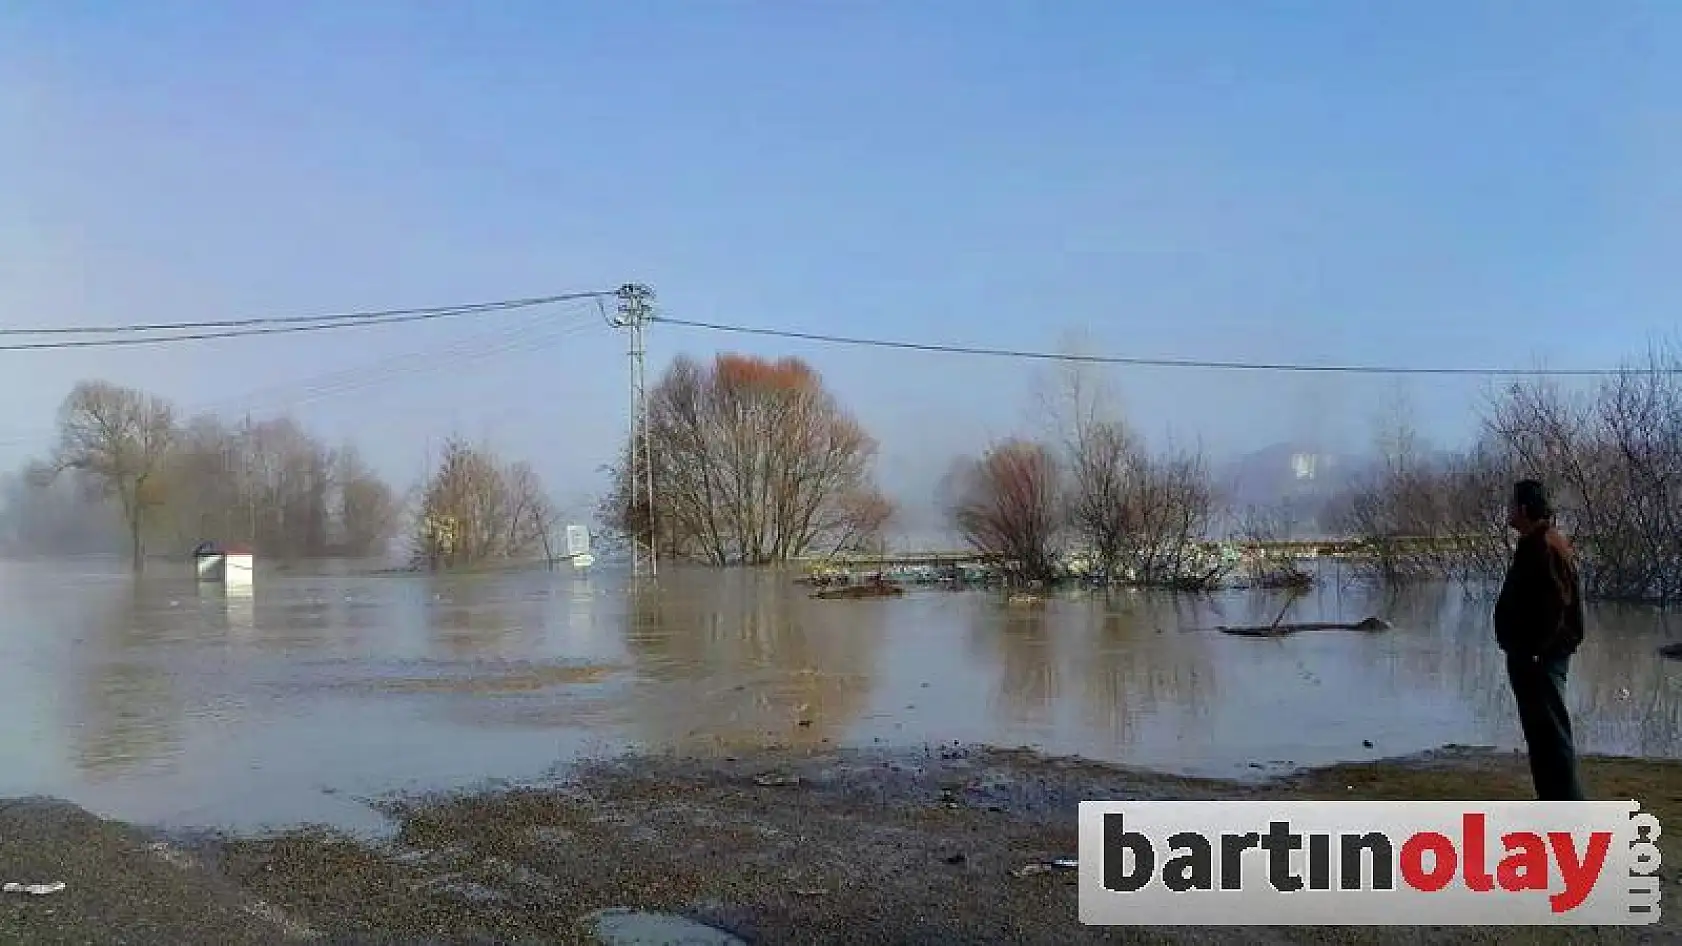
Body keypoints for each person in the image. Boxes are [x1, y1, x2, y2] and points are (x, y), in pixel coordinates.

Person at [1493, 479, 1587, 801]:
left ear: (1522, 508)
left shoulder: (1545, 545)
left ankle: (1568, 813)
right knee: (1541, 736)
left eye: (1510, 504)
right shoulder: (1536, 542)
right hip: (1534, 657)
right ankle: (1553, 807)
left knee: (1552, 737)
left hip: (1541, 660)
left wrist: (1534, 651)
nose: (1507, 511)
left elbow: (1556, 605)